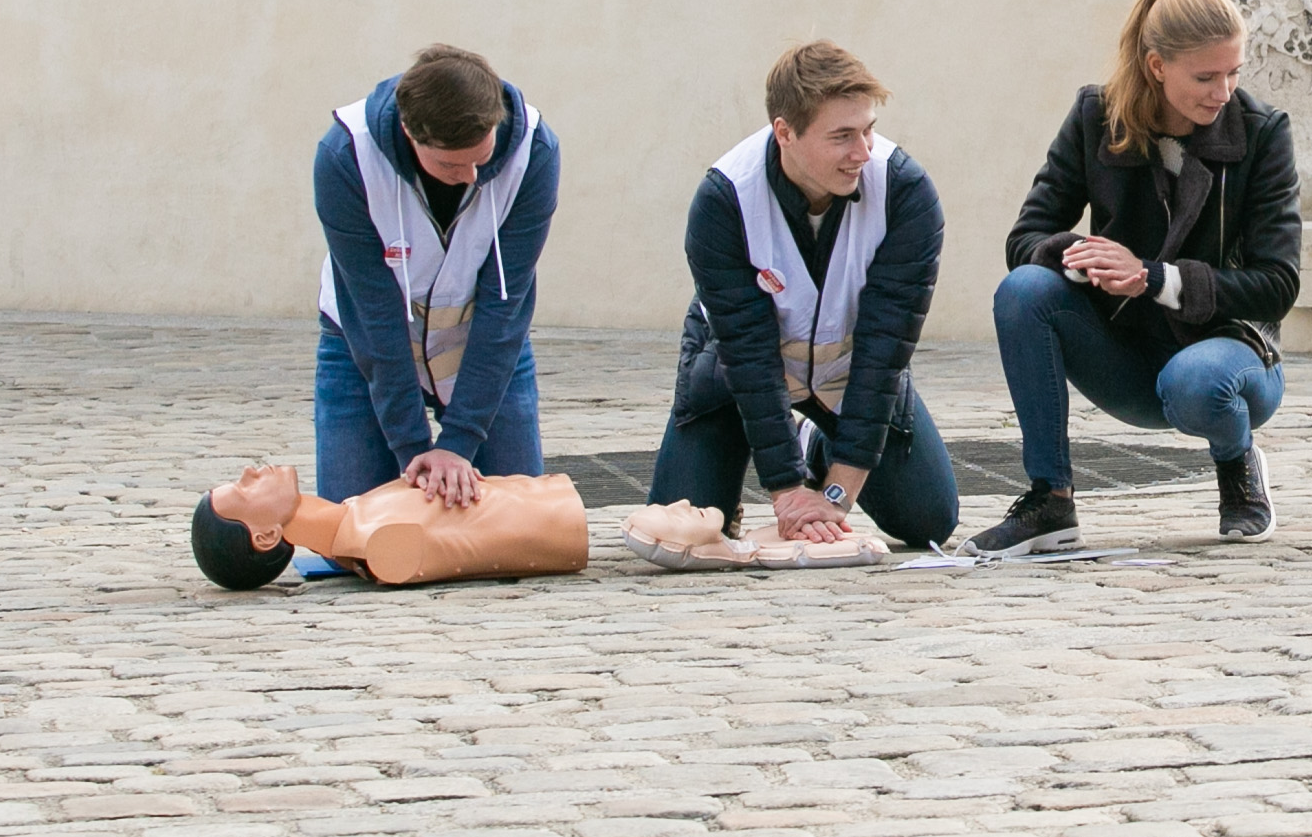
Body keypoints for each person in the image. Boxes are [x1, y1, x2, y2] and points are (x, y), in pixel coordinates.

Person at [976, 0, 1300, 554]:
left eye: (1234, 72)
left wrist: (1154, 276)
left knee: (1196, 380)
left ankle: (1236, 460)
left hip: (1232, 359)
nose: (1223, 91)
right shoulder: (1095, 116)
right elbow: (1027, 236)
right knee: (1023, 289)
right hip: (1128, 358)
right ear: (1156, 65)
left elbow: (1277, 285)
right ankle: (1050, 501)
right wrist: (1080, 259)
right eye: (1205, 77)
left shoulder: (1262, 133)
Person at [647, 41, 958, 551]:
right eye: (842, 136)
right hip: (736, 376)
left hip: (848, 374)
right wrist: (786, 492)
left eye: (868, 129)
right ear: (784, 133)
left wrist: (836, 492)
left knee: (929, 521)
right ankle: (763, 458)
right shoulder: (724, 200)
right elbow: (746, 356)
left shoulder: (905, 192)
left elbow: (884, 352)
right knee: (685, 525)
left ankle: (817, 445)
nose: (862, 151)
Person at [310, 45, 560, 575]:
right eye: (451, 163)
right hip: (365, 343)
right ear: (409, 132)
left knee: (523, 539)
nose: (471, 176)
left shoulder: (534, 150)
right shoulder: (344, 157)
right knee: (351, 545)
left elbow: (505, 302)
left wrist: (461, 441)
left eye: (481, 157)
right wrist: (413, 451)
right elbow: (374, 317)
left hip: (483, 336)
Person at [189, 464, 588, 589]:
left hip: (547, 498)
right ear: (266, 536)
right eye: (244, 489)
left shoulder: (356, 517)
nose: (250, 471)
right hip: (558, 517)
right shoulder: (377, 543)